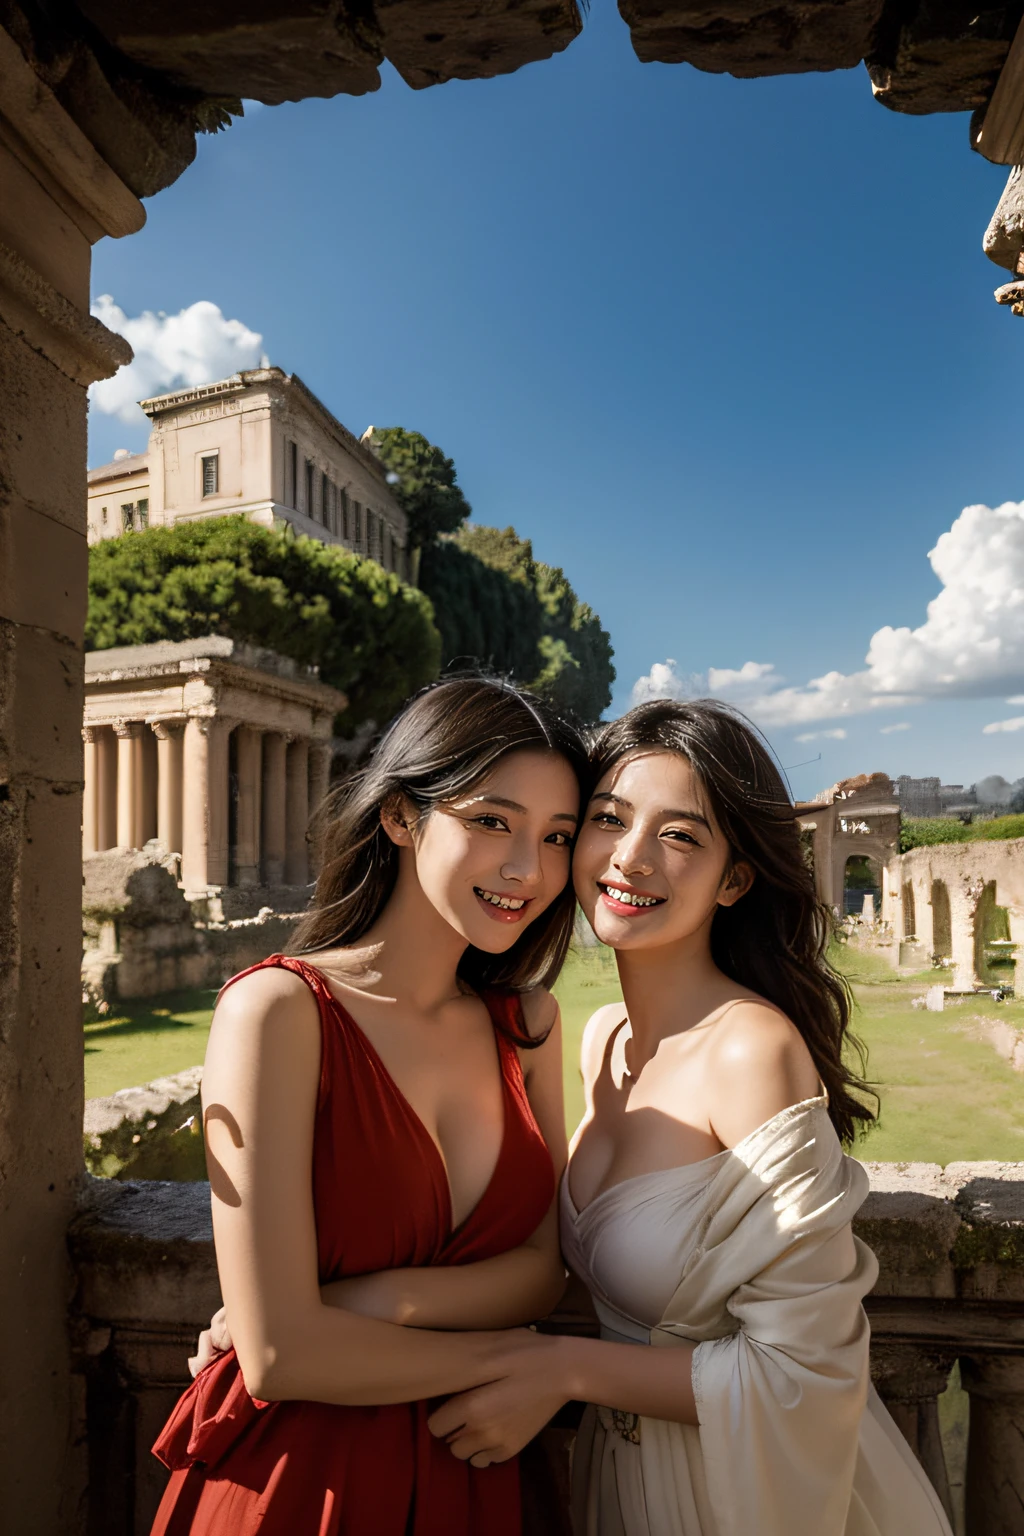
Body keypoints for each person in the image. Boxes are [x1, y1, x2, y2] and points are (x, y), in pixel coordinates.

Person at [427, 698, 953, 1536]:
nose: (629, 859)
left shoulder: (750, 1053)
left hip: (728, 1498)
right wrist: (314, 1313)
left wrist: (563, 1369)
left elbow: (806, 1368)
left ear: (735, 878)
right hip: (623, 1482)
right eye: (607, 819)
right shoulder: (602, 1039)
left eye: (679, 836)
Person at [149, 676, 588, 1536]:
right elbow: (280, 1357)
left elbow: (542, 1269)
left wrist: (366, 1302)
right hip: (302, 1487)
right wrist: (535, 1362)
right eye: (491, 821)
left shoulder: (528, 1022)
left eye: (558, 836)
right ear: (400, 816)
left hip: (481, 1476)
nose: (527, 869)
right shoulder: (277, 1012)